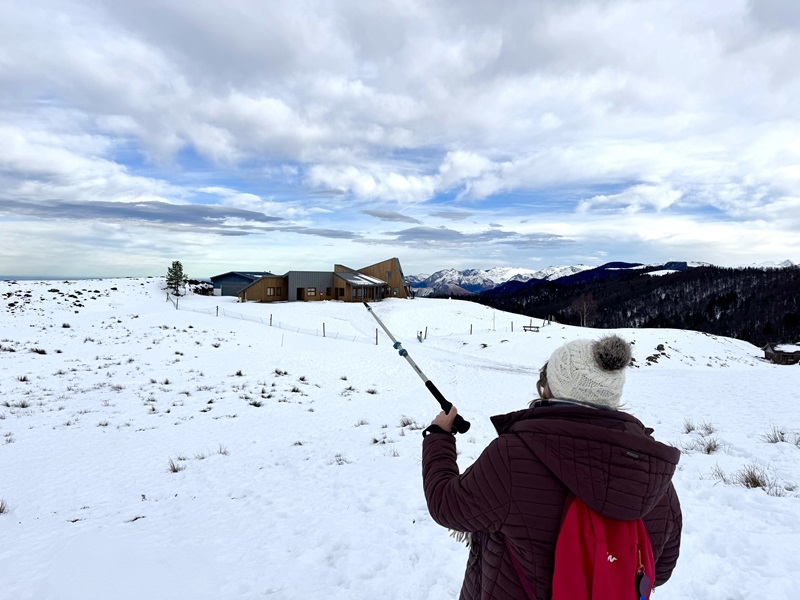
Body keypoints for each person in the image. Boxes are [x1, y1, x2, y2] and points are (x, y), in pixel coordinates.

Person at [421, 334, 682, 599]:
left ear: (549, 388)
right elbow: (659, 569)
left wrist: (439, 437)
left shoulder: (512, 457)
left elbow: (446, 505)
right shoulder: (652, 474)